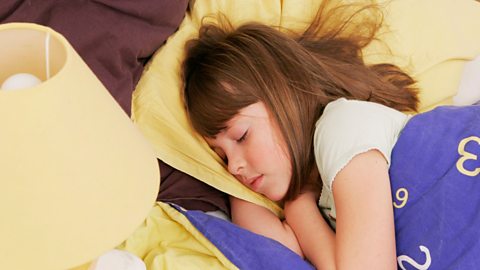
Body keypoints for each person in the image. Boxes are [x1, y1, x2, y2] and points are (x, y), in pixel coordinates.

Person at [181, 1, 420, 269]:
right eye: (222, 156)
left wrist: (298, 208)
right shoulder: (315, 190)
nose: (233, 166)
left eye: (240, 136)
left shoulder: (343, 126)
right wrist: (239, 192)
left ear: (286, 95)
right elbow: (276, 256)